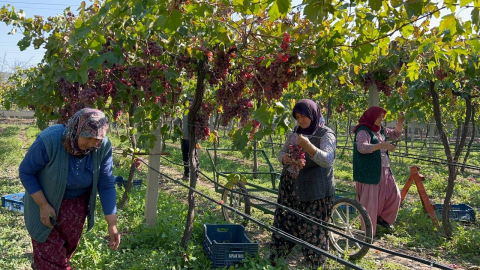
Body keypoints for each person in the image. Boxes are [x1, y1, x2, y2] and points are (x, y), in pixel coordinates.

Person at [19, 108, 121, 270]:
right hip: (46, 203)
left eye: (98, 139)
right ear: (76, 129)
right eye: (88, 137)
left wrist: (112, 224)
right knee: (53, 261)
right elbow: (26, 171)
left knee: (64, 252)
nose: (93, 143)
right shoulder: (50, 140)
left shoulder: (102, 147)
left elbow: (106, 183)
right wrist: (43, 205)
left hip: (76, 207)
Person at [270, 99, 336, 268]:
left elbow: (328, 160)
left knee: (313, 228)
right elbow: (282, 152)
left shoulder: (326, 134)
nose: (300, 120)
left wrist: (308, 146)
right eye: (297, 116)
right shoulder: (295, 132)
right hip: (291, 188)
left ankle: (314, 263)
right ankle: (277, 256)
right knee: (286, 221)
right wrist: (284, 159)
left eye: (304, 116)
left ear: (312, 114)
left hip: (314, 190)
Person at [352, 106, 404, 236]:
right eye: (379, 116)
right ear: (371, 116)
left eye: (382, 117)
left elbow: (395, 134)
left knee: (395, 196)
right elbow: (362, 147)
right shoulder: (363, 131)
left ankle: (381, 218)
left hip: (384, 169)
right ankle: (367, 233)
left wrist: (400, 121)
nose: (381, 119)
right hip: (370, 171)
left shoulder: (380, 130)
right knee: (370, 201)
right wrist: (382, 145)